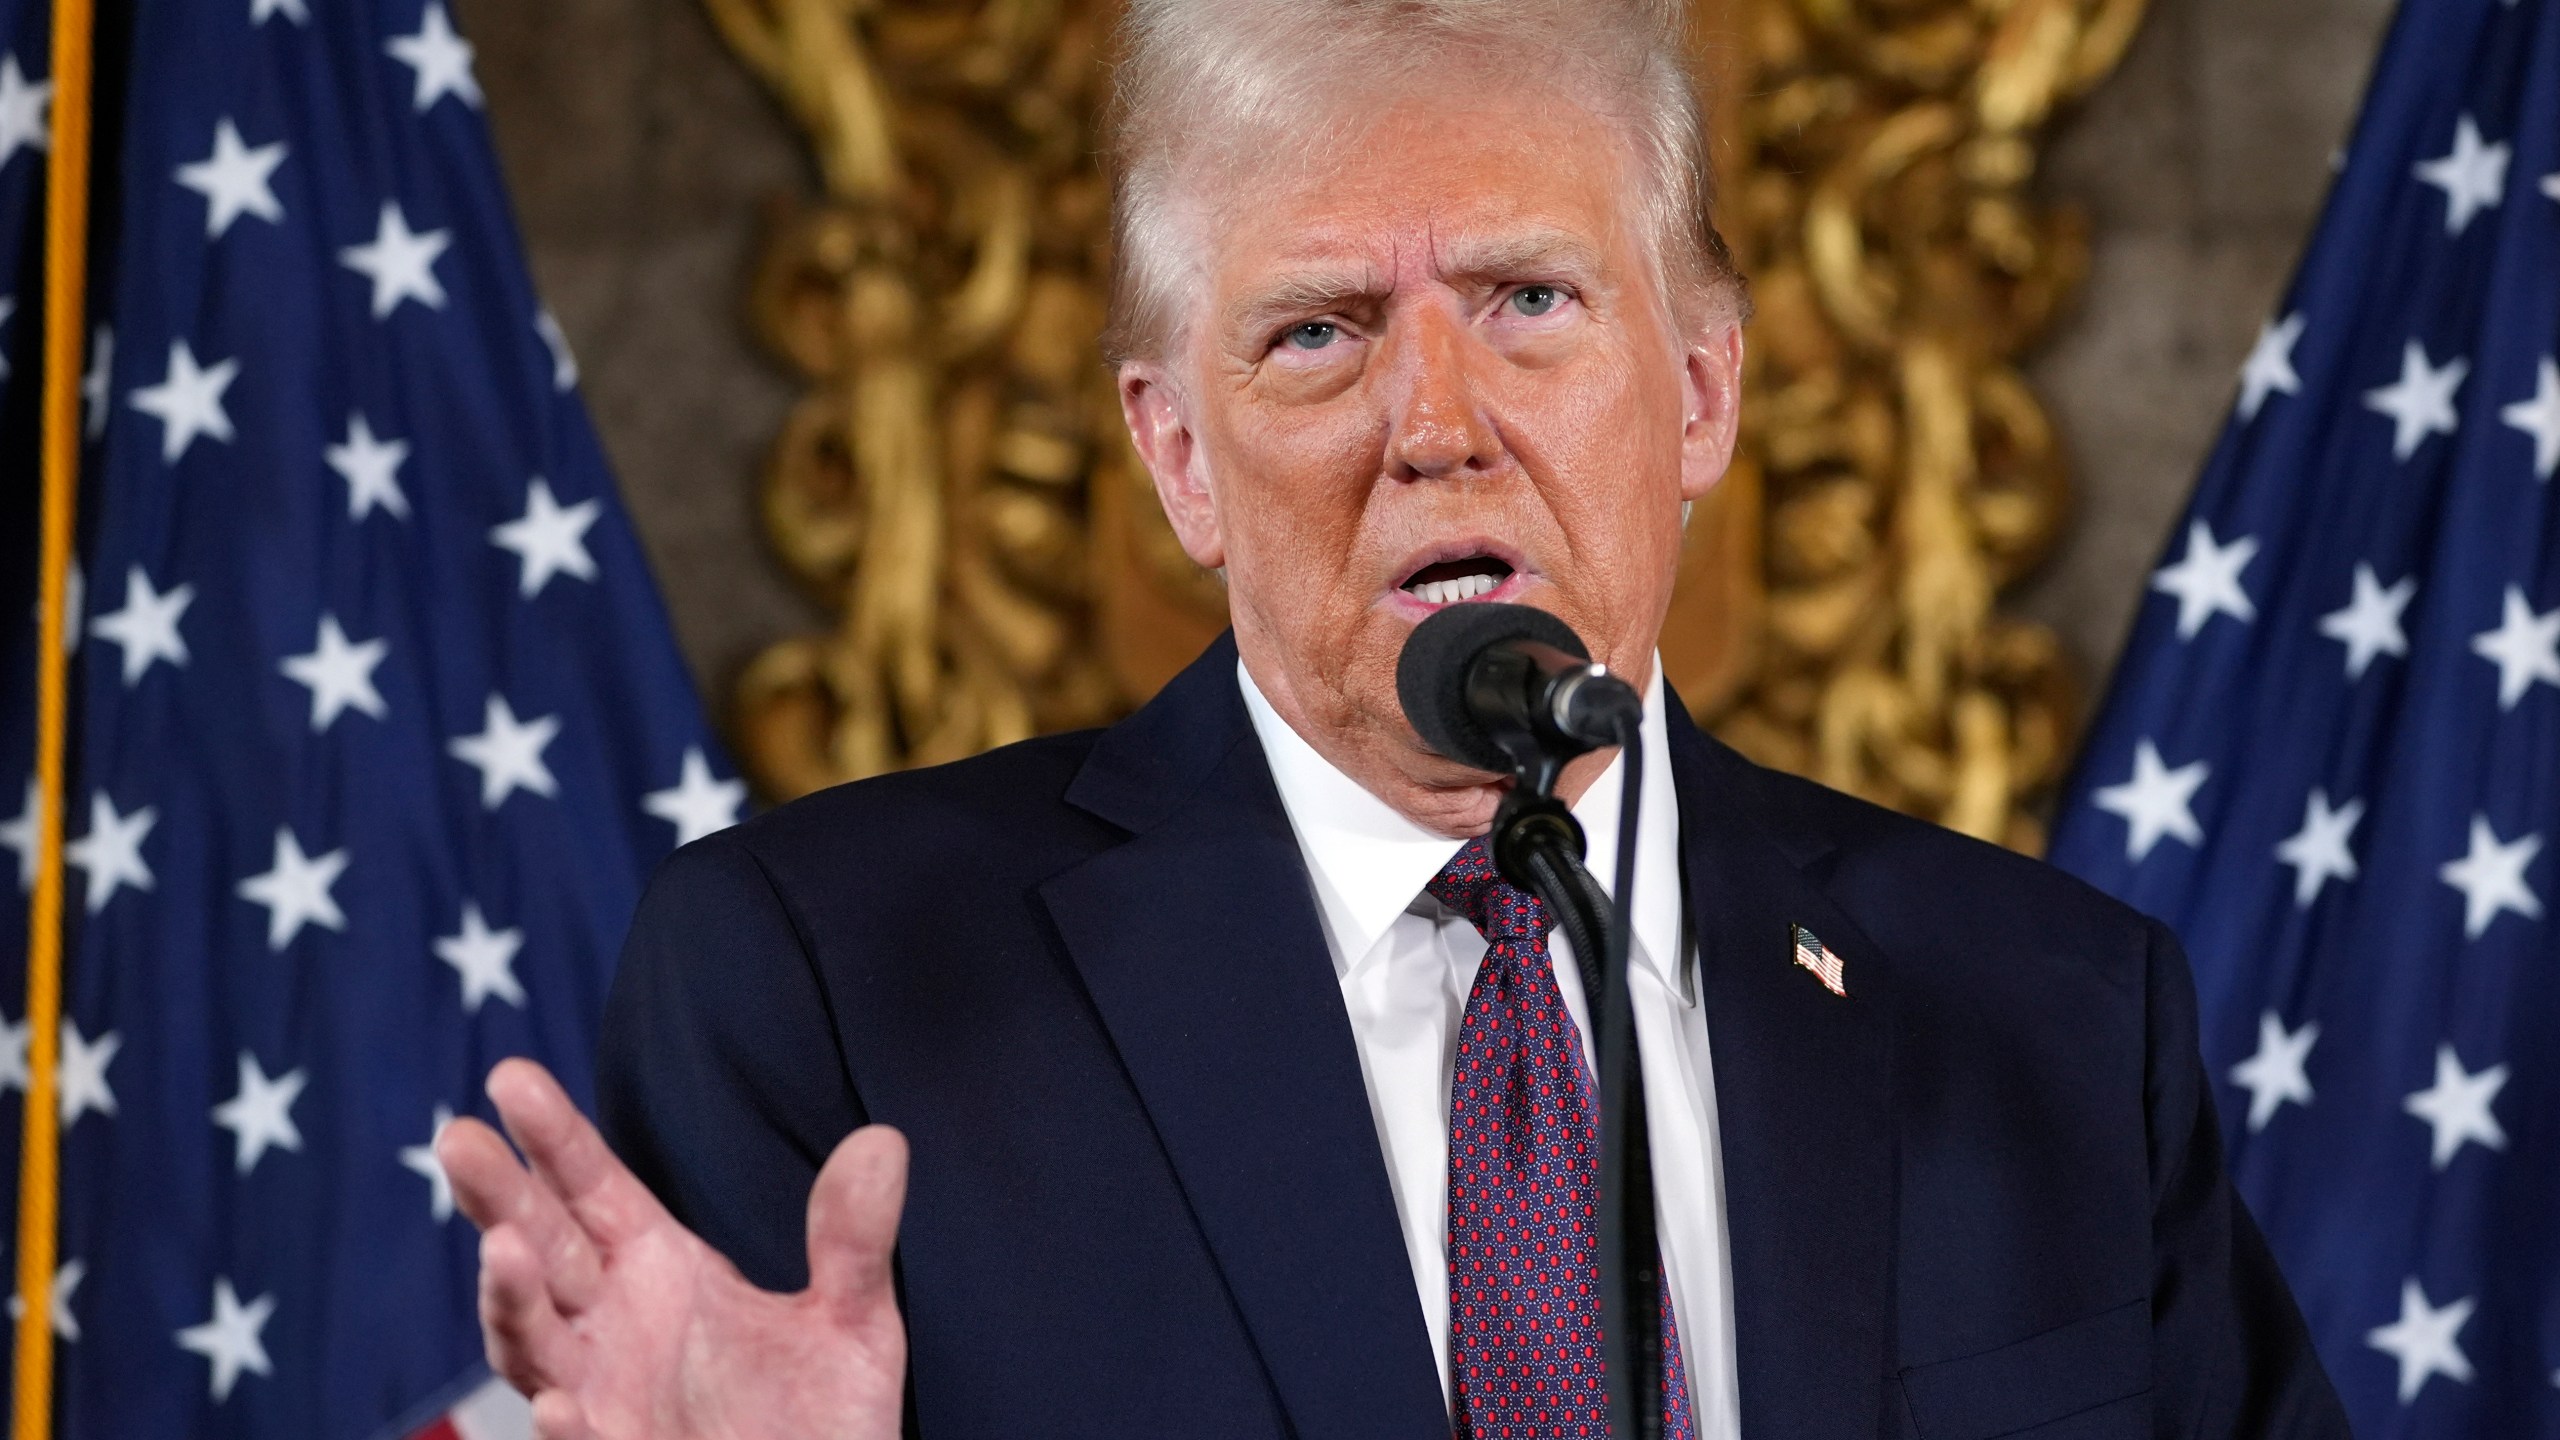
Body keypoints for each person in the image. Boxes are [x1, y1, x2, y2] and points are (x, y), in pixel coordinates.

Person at [436, 0, 2355, 1435]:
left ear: (1701, 395)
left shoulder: (2050, 1018)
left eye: (1530, 298)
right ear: (1178, 459)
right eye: (1319, 332)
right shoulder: (831, 989)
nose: (1436, 424)